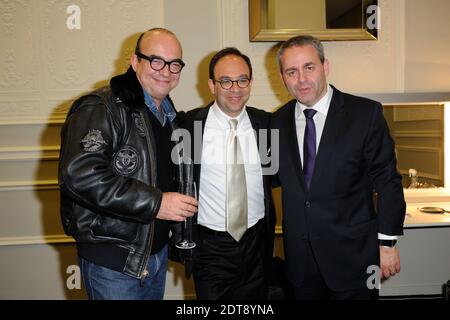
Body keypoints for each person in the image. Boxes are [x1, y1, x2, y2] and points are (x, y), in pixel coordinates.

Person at [58, 28, 197, 300]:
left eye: (175, 64)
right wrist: (157, 203)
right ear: (135, 62)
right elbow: (80, 175)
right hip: (113, 262)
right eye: (156, 60)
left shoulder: (168, 116)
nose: (166, 71)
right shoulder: (102, 106)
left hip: (154, 257)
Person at [271, 35, 406, 300]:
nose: (302, 79)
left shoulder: (365, 114)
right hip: (300, 264)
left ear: (325, 66)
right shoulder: (276, 122)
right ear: (283, 77)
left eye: (309, 67)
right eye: (291, 71)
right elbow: (267, 181)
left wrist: (387, 243)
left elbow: (388, 180)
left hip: (356, 258)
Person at [178, 47, 276, 299]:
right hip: (210, 248)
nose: (235, 88)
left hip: (256, 243)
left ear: (250, 82)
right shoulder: (188, 127)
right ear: (212, 85)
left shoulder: (266, 124)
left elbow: (275, 176)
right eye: (225, 81)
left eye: (242, 80)